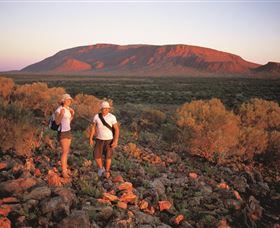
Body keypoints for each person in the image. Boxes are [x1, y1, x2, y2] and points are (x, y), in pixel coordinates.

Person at [89, 101, 119, 178]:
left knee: (108, 156)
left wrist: (115, 141)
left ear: (109, 109)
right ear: (101, 109)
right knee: (96, 155)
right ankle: (100, 168)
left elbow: (116, 130)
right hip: (99, 139)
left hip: (109, 140)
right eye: (104, 108)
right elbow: (93, 128)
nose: (105, 110)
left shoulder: (112, 117)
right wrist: (91, 138)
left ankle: (107, 171)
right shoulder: (96, 116)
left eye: (107, 108)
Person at [55, 93, 75, 179]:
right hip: (62, 132)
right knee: (65, 151)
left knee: (66, 151)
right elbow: (57, 122)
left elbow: (68, 121)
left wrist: (72, 114)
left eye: (70, 100)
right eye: (67, 100)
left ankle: (65, 169)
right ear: (63, 101)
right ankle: (64, 171)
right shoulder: (59, 109)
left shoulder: (68, 109)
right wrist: (61, 114)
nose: (69, 101)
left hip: (68, 131)